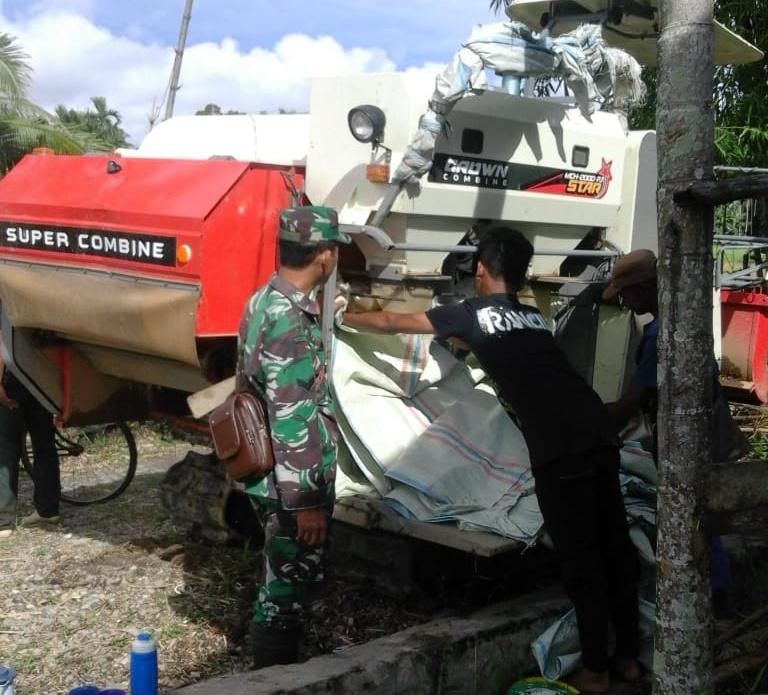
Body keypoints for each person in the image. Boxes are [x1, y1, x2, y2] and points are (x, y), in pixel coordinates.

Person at [343, 226, 640, 693]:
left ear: (480, 269)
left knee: (582, 560)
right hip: (598, 432)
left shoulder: (471, 313)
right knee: (614, 547)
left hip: (560, 448)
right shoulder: (534, 318)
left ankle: (597, 671)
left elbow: (389, 324)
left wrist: (342, 313)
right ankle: (627, 659)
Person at [602, 248, 747, 617]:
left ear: (647, 287)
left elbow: (632, 403)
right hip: (704, 430)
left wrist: (591, 424)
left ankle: (713, 602)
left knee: (693, 518)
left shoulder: (657, 336)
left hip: (688, 440)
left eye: (629, 293)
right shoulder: (682, 317)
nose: (625, 301)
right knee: (704, 516)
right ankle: (720, 599)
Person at [237, 205, 350, 668]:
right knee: (284, 593)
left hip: (268, 475)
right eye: (335, 249)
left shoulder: (264, 299)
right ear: (324, 255)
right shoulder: (289, 319)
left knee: (279, 580)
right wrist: (306, 503)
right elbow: (291, 416)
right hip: (289, 488)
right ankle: (272, 678)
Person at [0, 345, 62, 539]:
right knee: (44, 444)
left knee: (6, 449)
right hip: (38, 373)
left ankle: (4, 521)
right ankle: (48, 510)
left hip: (13, 374)